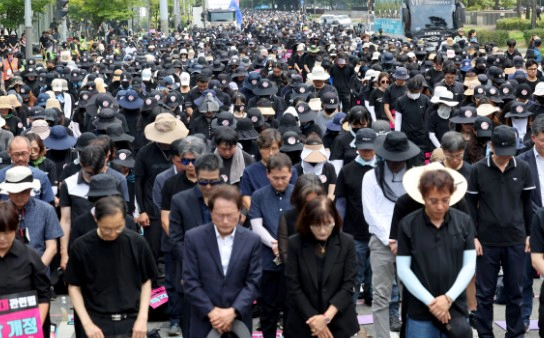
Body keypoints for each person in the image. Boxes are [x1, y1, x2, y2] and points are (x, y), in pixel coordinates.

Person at [467, 125, 535, 337]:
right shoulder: (478, 169)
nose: (505, 158)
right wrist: (473, 236)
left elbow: (528, 204)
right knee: (485, 294)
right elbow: (470, 206)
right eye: (500, 153)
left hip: (516, 239)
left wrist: (530, 234)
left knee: (516, 291)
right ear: (491, 146)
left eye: (509, 153)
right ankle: (485, 334)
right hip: (486, 242)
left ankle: (515, 333)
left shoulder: (523, 168)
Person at [397, 169, 475, 337]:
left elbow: (469, 265)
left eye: (445, 200)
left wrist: (448, 299)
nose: (440, 206)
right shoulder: (408, 224)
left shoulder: (464, 221)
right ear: (423, 197)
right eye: (433, 201)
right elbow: (403, 269)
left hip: (455, 306)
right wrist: (432, 303)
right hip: (420, 308)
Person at [65, 196, 158, 338]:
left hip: (131, 321)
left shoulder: (137, 242)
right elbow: (73, 286)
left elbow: (146, 281)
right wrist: (87, 323)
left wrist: (142, 318)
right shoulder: (81, 246)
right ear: (96, 220)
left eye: (119, 227)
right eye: (107, 229)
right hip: (96, 323)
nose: (113, 234)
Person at [182, 185, 262, 337]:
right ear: (211, 212)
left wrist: (233, 311)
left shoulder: (252, 240)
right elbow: (190, 281)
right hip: (204, 320)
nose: (225, 221)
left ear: (240, 212)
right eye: (220, 215)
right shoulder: (194, 238)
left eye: (230, 215)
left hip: (239, 321)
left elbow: (254, 282)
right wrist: (212, 313)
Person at [362, 131, 420, 337]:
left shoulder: (415, 176)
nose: (396, 162)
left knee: (412, 295)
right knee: (380, 296)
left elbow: (419, 210)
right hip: (381, 242)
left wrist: (403, 239)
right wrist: (391, 239)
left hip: (411, 242)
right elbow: (370, 213)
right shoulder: (370, 177)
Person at [284, 196, 359, 338]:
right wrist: (315, 321)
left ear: (335, 220)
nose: (323, 231)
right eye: (317, 225)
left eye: (328, 224)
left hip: (338, 320)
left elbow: (348, 284)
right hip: (304, 321)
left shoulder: (346, 242)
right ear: (308, 222)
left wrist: (326, 318)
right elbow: (293, 285)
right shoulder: (295, 243)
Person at [169, 152, 223, 337]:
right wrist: (194, 267)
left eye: (213, 182)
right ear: (196, 177)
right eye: (203, 182)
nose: (208, 186)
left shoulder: (229, 198)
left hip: (223, 278)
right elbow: (176, 240)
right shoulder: (180, 200)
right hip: (190, 276)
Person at [249, 153, 294, 338]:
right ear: (267, 174)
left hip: (292, 257)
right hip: (267, 258)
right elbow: (256, 225)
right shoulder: (259, 195)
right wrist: (275, 244)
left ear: (291, 174)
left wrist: (285, 245)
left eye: (284, 177)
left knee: (291, 307)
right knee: (267, 308)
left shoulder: (297, 192)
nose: (280, 181)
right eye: (275, 178)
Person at [335, 128, 378, 303]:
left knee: (375, 273)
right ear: (356, 147)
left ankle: (370, 297)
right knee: (354, 274)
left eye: (370, 147)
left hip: (378, 232)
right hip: (354, 231)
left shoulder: (382, 169)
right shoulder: (347, 171)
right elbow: (341, 203)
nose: (367, 151)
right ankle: (349, 311)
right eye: (363, 148)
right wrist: (339, 229)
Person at [0, 201, 51, 335]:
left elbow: (43, 296)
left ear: (16, 228)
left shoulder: (30, 257)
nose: (2, 238)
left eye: (7, 232)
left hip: (26, 327)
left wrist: (35, 327)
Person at [1, 166, 63, 267]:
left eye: (24, 191)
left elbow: (52, 247)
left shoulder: (46, 210)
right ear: (8, 192)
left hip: (38, 269)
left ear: (30, 189)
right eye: (15, 192)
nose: (19, 196)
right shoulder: (1, 211)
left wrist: (37, 270)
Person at [278, 173, 325, 263]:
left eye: (315, 202)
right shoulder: (288, 218)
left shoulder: (328, 218)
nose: (311, 206)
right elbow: (284, 253)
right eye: (306, 202)